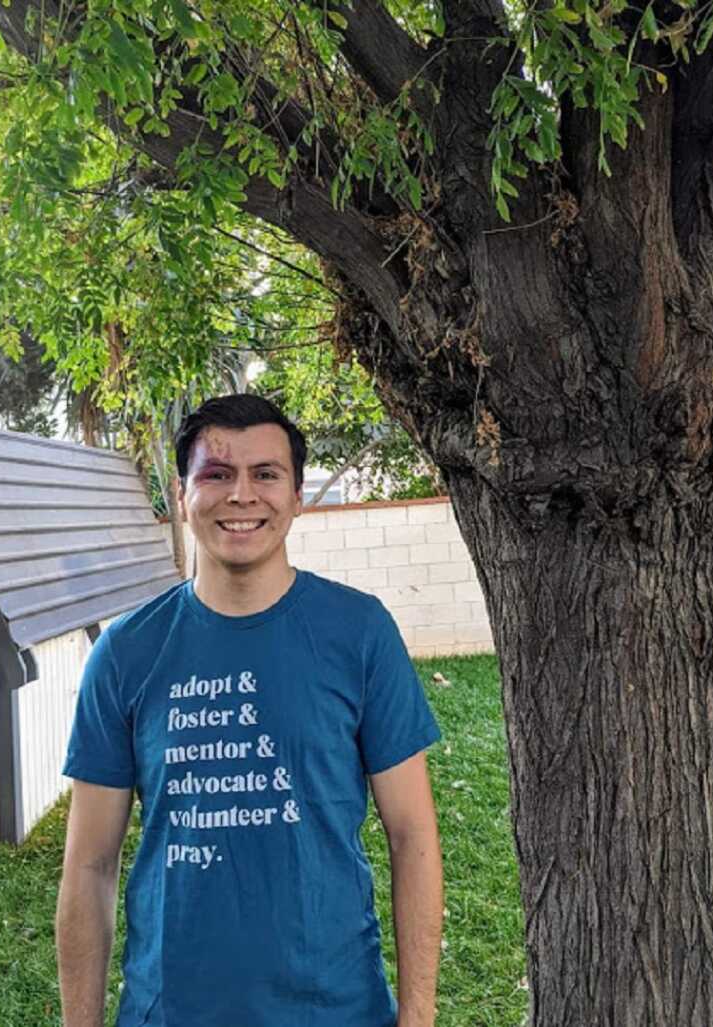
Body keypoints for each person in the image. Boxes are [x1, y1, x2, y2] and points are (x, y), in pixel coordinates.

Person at [56, 394, 444, 1027]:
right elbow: (90, 864)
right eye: (216, 474)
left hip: (337, 1009)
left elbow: (413, 835)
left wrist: (419, 1014)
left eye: (266, 474)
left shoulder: (359, 632)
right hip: (170, 1011)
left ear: (295, 496)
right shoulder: (127, 653)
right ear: (181, 496)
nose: (242, 495)